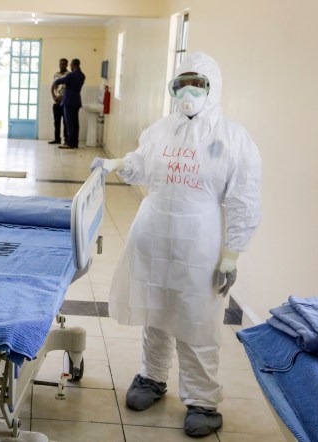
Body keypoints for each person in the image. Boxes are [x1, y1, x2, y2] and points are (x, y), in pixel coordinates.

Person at [90, 52, 262, 438]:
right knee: (156, 310)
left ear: (212, 87)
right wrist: (118, 164)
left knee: (197, 320)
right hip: (153, 235)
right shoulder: (160, 130)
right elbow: (142, 163)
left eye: (197, 83)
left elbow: (244, 199)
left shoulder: (233, 137)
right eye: (181, 83)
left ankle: (202, 401)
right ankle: (152, 378)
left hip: (200, 243)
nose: (188, 91)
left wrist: (232, 253)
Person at [52, 58, 85, 149]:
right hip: (76, 101)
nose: (70, 66)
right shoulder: (82, 75)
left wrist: (55, 83)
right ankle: (75, 142)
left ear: (73, 65)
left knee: (69, 124)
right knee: (75, 124)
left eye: (70, 65)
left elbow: (58, 81)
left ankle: (69, 143)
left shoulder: (71, 75)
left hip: (68, 102)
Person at [48, 58, 68, 144]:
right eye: (60, 64)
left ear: (67, 65)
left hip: (65, 102)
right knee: (56, 122)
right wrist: (53, 96)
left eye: (64, 64)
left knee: (65, 122)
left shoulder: (69, 75)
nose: (62, 65)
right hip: (56, 103)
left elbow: (69, 89)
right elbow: (53, 86)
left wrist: (63, 98)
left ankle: (66, 140)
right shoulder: (56, 75)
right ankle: (57, 139)